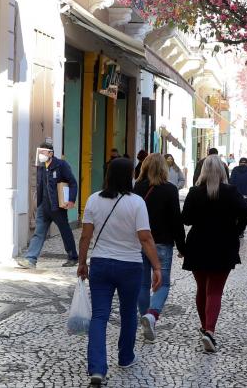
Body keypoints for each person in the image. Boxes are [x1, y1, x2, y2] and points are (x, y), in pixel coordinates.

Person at [76, 157, 162, 385]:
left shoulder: (93, 200)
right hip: (130, 266)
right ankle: (125, 357)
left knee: (99, 315)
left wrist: (82, 262)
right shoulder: (136, 203)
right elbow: (145, 238)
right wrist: (156, 267)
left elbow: (86, 236)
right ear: (130, 176)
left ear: (108, 175)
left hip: (101, 264)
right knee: (127, 314)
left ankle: (97, 368)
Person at [182, 155, 247, 353]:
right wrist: (237, 230)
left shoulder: (195, 192)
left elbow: (186, 219)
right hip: (224, 244)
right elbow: (244, 211)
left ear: (202, 171)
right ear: (222, 171)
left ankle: (205, 327)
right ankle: (210, 331)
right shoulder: (231, 191)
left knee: (202, 288)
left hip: (198, 244)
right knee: (215, 290)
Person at [134, 153, 186, 342]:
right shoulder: (170, 190)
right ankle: (151, 315)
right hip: (162, 243)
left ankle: (145, 319)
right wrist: (182, 246)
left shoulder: (137, 188)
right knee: (162, 283)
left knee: (142, 283)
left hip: (140, 241)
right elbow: (176, 220)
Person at [17, 140, 79, 269]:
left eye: (43, 152)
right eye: (39, 152)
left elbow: (73, 183)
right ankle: (30, 259)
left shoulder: (61, 165)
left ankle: (73, 257)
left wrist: (71, 200)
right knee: (39, 233)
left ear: (50, 153)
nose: (40, 154)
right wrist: (37, 204)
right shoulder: (40, 167)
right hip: (43, 207)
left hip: (57, 207)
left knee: (65, 231)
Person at [229, 157, 247, 237]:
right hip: (246, 198)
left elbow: (231, 182)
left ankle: (234, 230)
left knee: (234, 214)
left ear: (239, 163)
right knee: (244, 216)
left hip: (234, 197)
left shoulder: (234, 170)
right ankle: (241, 232)